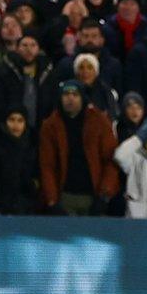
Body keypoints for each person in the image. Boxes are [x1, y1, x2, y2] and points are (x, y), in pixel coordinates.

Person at [39, 79, 120, 215]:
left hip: (94, 195)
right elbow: (47, 165)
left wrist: (105, 195)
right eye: (66, 94)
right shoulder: (50, 126)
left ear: (83, 98)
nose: (70, 98)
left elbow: (111, 160)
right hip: (65, 196)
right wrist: (52, 199)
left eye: (75, 95)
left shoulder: (99, 121)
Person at [0, 107, 40, 214]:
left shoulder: (31, 144)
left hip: (26, 207)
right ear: (5, 121)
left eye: (20, 120)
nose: (15, 125)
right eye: (12, 120)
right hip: (0, 207)